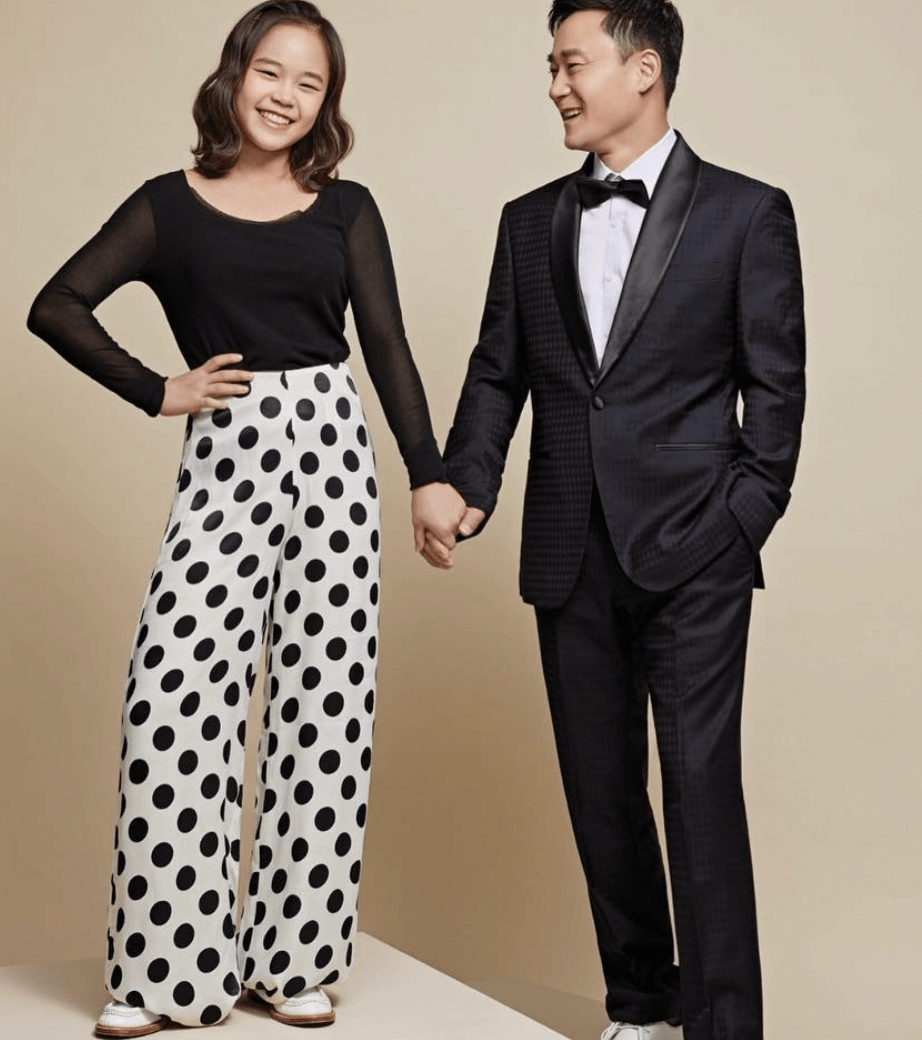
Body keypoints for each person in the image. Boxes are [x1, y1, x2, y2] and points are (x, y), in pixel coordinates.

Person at [27, 2, 465, 1035]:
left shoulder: (345, 208)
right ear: (234, 75)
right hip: (228, 449)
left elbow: (388, 348)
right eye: (271, 71)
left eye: (310, 84)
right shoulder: (164, 207)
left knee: (326, 700)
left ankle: (293, 957)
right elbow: (57, 304)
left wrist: (428, 474)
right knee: (175, 690)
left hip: (333, 449)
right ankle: (161, 971)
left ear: (327, 104)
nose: (286, 96)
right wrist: (157, 389)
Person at [421, 2, 806, 1038]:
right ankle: (641, 1004)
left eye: (571, 63)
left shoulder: (747, 213)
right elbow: (496, 373)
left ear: (643, 70)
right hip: (567, 546)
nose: (554, 85)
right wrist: (465, 484)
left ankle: (723, 1024)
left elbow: (775, 395)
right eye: (549, 65)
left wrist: (739, 523)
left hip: (697, 549)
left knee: (697, 792)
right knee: (601, 795)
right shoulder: (528, 221)